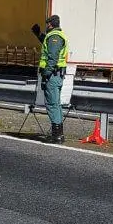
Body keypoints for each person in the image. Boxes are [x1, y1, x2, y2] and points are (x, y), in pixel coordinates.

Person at [32, 15, 69, 143]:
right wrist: (38, 35)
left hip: (52, 75)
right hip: (56, 74)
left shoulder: (55, 37)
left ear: (51, 24)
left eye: (47, 24)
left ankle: (57, 135)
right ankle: (58, 133)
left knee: (52, 104)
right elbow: (48, 46)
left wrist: (46, 73)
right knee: (56, 104)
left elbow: (52, 56)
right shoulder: (54, 36)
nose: (46, 26)